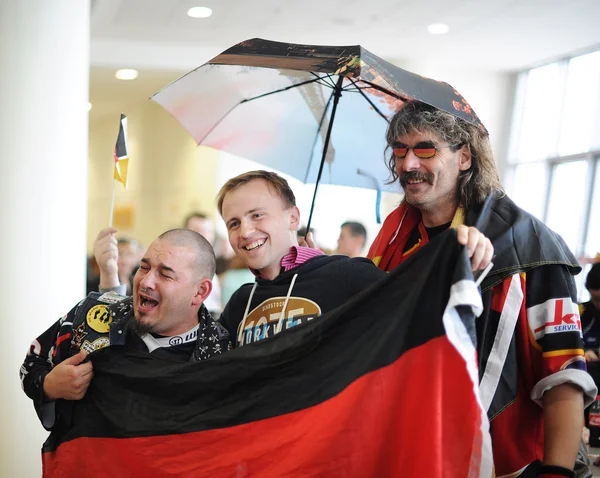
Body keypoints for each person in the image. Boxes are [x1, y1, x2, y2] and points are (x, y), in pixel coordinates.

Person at [367, 100, 596, 477]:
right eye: (400, 150)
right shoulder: (394, 239)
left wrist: (557, 473)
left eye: (425, 149)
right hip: (415, 451)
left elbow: (564, 376)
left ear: (465, 159)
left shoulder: (529, 244)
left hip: (508, 463)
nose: (408, 165)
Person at [216, 170, 492, 348]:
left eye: (257, 215)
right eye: (234, 223)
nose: (246, 231)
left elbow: (423, 306)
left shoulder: (345, 276)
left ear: (293, 218)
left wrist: (460, 254)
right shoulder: (241, 301)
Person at [20, 228, 231, 430]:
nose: (146, 282)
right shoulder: (93, 315)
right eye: (144, 267)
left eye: (165, 275)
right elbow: (32, 363)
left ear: (200, 291)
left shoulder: (219, 354)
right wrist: (48, 385)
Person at [184, 212, 224, 318]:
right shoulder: (178, 266)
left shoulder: (209, 263)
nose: (204, 235)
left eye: (208, 231)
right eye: (198, 230)